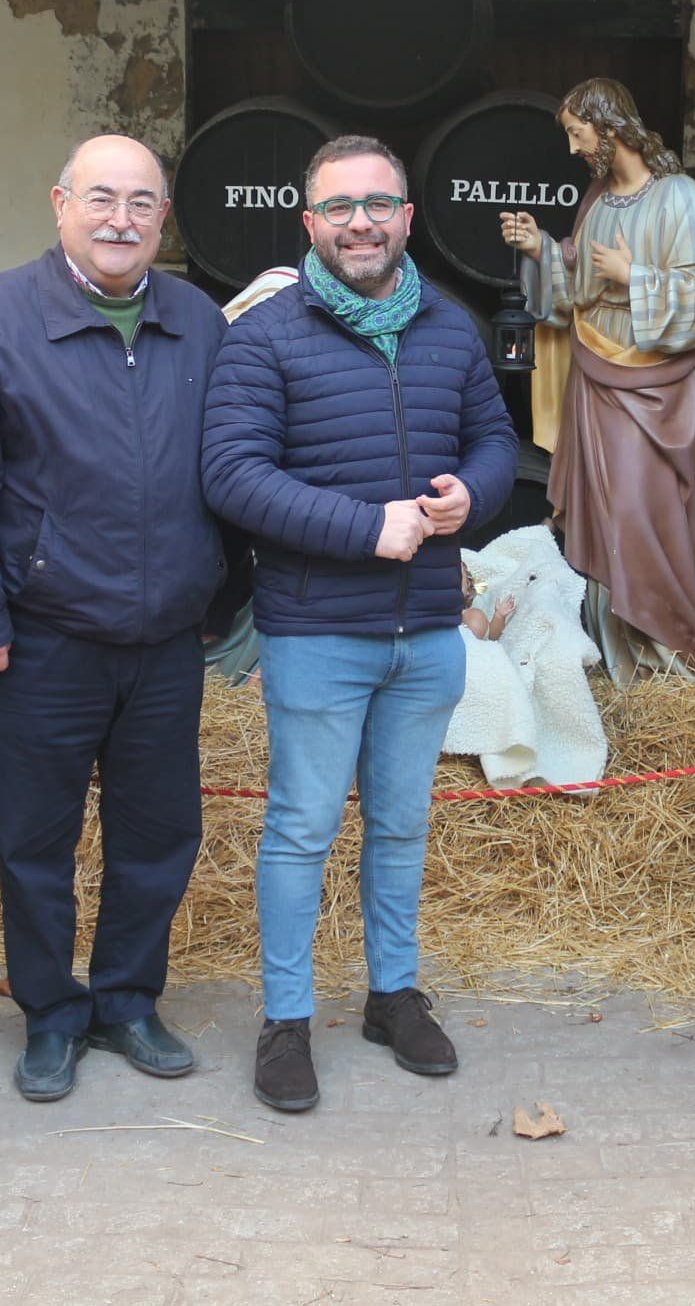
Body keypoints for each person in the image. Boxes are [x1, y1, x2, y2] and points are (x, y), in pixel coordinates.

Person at [204, 133, 519, 1114]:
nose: (360, 223)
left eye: (379, 203)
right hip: (315, 630)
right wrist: (363, 529)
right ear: (310, 224)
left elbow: (496, 439)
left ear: (408, 219)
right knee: (300, 828)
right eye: (338, 207)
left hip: (426, 630)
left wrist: (474, 492)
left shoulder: (450, 328)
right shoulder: (266, 336)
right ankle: (287, 1020)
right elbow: (233, 476)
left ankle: (392, 994)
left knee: (401, 823)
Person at [0, 135, 227, 1104]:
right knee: (36, 843)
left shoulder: (198, 321)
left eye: (140, 203)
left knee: (158, 834)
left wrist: (216, 597)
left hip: (165, 640)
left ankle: (129, 999)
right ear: (60, 204)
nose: (119, 220)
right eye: (100, 198)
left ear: (162, 220)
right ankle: (51, 1014)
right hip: (41, 637)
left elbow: (236, 464)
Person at [497, 79, 695, 681]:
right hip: (593, 372)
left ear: (609, 126)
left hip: (654, 382)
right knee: (598, 511)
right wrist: (541, 250)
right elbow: (573, 290)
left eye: (579, 133)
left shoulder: (679, 197)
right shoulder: (599, 200)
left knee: (638, 508)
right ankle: (616, 650)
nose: (575, 148)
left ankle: (665, 647)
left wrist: (638, 276)